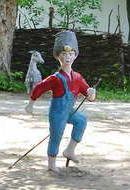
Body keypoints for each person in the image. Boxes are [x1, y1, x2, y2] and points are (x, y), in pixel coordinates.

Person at [29, 31, 96, 173]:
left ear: (75, 55)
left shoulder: (77, 77)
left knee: (81, 120)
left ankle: (69, 150)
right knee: (56, 136)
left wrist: (91, 93)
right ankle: (51, 164)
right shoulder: (55, 78)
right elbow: (39, 87)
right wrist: (31, 103)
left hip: (69, 112)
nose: (67, 57)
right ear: (58, 56)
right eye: (64, 54)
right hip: (57, 113)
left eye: (71, 54)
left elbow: (88, 95)